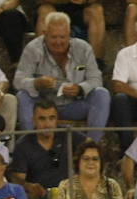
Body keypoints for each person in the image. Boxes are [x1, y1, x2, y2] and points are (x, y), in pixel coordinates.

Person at [14, 13, 110, 141]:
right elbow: (18, 81)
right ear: (45, 33)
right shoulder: (32, 49)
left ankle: (90, 146)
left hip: (74, 105)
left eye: (62, 37)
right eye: (54, 37)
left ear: (69, 33)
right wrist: (36, 83)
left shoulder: (83, 48)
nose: (58, 42)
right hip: (44, 106)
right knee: (22, 96)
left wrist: (80, 89)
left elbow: (96, 79)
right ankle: (31, 146)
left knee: (101, 94)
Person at [10, 100, 79, 199]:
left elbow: (91, 148)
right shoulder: (23, 145)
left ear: (57, 119)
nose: (47, 124)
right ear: (33, 120)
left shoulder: (68, 134)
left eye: (51, 118)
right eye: (42, 119)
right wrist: (28, 186)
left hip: (68, 193)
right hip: (38, 197)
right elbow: (17, 179)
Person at [34, 0, 105, 61]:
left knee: (97, 10)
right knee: (45, 10)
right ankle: (43, 61)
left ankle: (96, 62)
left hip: (81, 9)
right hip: (54, 7)